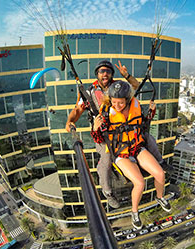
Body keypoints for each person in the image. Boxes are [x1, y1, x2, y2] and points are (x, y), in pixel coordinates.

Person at [65, 60, 166, 209]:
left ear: (112, 74)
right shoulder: (90, 92)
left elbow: (137, 87)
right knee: (106, 158)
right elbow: (77, 109)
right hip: (103, 132)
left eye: (108, 71)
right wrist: (70, 121)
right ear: (97, 74)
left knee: (147, 137)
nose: (105, 73)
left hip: (124, 130)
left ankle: (160, 165)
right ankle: (107, 191)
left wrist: (127, 76)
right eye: (101, 71)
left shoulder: (119, 86)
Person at [92, 80, 171, 229]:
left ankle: (160, 197)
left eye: (121, 103)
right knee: (140, 183)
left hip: (137, 148)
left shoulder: (135, 106)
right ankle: (134, 212)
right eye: (114, 102)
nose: (117, 106)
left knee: (160, 174)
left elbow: (143, 125)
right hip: (122, 154)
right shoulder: (107, 114)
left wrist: (151, 112)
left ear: (127, 100)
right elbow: (99, 139)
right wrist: (95, 128)